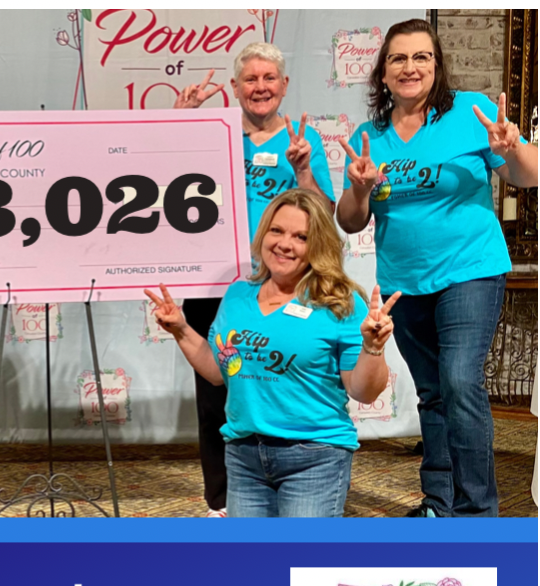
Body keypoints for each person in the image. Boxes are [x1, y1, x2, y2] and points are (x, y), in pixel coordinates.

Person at [337, 19, 538, 518]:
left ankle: (476, 514)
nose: (410, 67)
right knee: (432, 392)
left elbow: (528, 177)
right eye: (398, 58)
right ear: (383, 72)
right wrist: (359, 188)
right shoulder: (369, 137)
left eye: (421, 57)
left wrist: (512, 148)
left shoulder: (470, 113)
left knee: (460, 381)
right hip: (404, 282)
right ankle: (438, 502)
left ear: (436, 65)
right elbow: (350, 220)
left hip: (470, 270)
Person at [146, 190, 399, 518]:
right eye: (276, 230)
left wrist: (373, 348)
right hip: (243, 455)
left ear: (318, 244)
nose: (284, 244)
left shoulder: (341, 303)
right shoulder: (237, 296)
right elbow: (217, 372)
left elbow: (364, 391)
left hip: (314, 457)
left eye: (301, 237)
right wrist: (180, 329)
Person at [173, 43, 336, 516]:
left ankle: (288, 484)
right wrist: (180, 122)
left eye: (269, 78)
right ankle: (221, 501)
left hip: (284, 283)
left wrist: (302, 169)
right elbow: (164, 179)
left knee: (274, 381)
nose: (260, 87)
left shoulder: (303, 139)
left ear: (284, 85)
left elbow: (324, 214)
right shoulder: (212, 132)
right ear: (235, 87)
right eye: (251, 79)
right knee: (214, 392)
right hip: (214, 283)